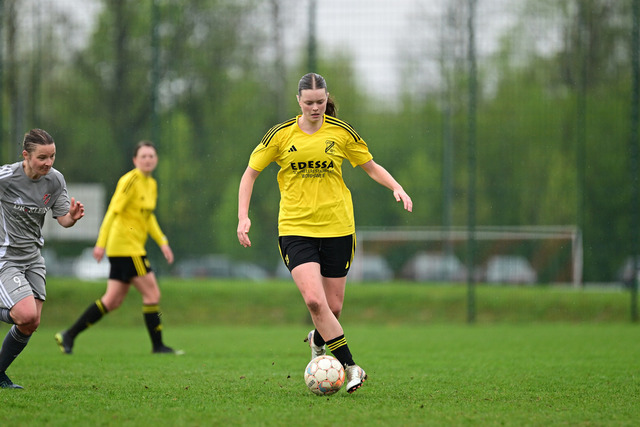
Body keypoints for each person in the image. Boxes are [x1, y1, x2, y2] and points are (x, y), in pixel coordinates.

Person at [237, 73, 413, 394]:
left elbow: (371, 166)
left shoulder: (341, 132)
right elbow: (250, 175)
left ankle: (318, 341)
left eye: (320, 101)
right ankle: (352, 366)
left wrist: (396, 187)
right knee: (315, 302)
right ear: (298, 101)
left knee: (333, 309)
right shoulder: (280, 135)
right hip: (295, 228)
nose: (315, 107)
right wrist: (242, 217)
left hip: (338, 227)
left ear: (326, 98)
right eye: (309, 102)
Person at [55, 141, 181, 355]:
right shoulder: (130, 180)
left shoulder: (151, 184)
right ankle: (158, 346)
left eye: (151, 156)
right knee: (153, 294)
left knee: (112, 300)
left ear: (156, 159)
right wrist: (100, 243)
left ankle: (69, 335)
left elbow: (148, 217)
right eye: (143, 156)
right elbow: (112, 212)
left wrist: (163, 242)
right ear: (135, 160)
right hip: (127, 248)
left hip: (126, 249)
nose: (148, 160)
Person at [0, 129, 85, 389]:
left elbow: (63, 220)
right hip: (6, 258)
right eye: (42, 157)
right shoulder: (6, 177)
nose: (48, 162)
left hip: (34, 258)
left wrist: (72, 217)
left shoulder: (55, 180)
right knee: (24, 314)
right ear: (25, 156)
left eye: (52, 156)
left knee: (31, 322)